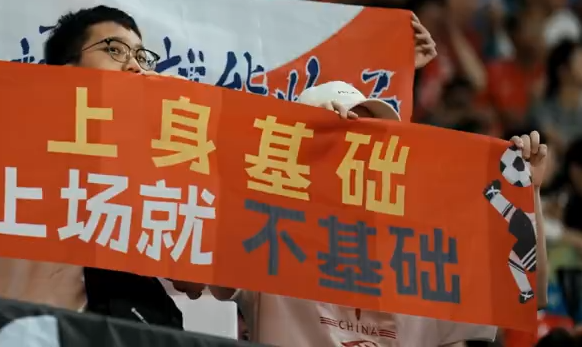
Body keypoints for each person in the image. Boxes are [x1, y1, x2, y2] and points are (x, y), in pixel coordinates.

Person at [210, 80, 549, 347]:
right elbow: (207, 273)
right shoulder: (269, 234)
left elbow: (530, 293)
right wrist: (296, 146)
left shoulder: (418, 252)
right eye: (343, 137)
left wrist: (528, 192)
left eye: (373, 137)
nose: (362, 152)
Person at [0, 5, 190, 328]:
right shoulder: (8, 142)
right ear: (66, 71)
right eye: (114, 50)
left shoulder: (148, 163)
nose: (134, 66)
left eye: (141, 57)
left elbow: (191, 280)